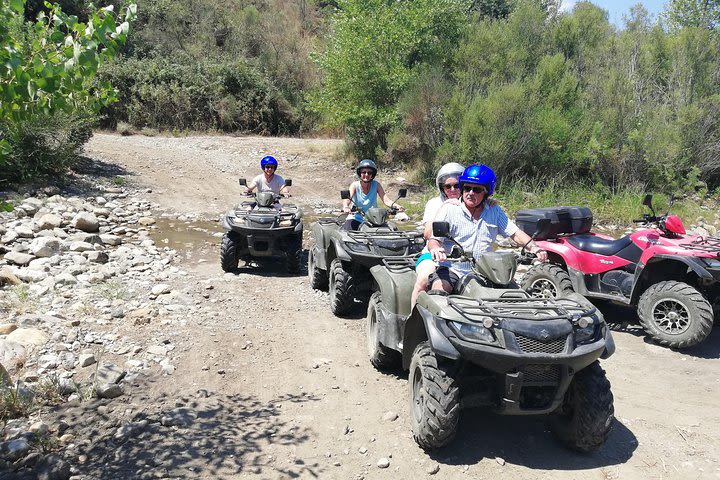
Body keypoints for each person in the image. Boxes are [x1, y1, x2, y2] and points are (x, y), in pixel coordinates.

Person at [426, 164, 548, 294]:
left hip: (487, 270)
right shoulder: (449, 209)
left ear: (486, 192)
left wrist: (534, 247)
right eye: (467, 188)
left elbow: (515, 233)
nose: (471, 193)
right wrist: (436, 248)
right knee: (438, 291)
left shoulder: (494, 211)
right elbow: (434, 239)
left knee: (516, 295)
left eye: (477, 190)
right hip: (453, 268)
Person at [410, 162, 465, 308]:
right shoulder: (434, 203)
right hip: (433, 254)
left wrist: (488, 202)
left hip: (463, 258)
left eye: (457, 185)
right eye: (448, 186)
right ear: (442, 188)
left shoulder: (470, 202)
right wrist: (445, 206)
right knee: (423, 281)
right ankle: (413, 321)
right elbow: (427, 234)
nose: (453, 189)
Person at [341, 159, 405, 230]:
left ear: (372, 174)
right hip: (356, 218)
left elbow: (386, 200)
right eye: (364, 172)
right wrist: (346, 206)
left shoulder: (376, 185)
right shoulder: (355, 185)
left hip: (374, 219)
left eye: (369, 173)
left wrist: (396, 206)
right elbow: (347, 198)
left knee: (391, 230)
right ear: (360, 173)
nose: (366, 175)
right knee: (346, 231)